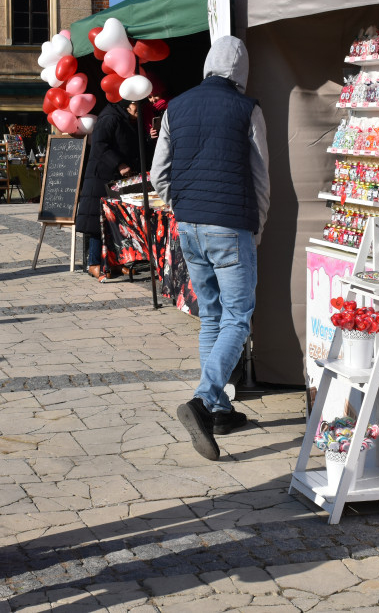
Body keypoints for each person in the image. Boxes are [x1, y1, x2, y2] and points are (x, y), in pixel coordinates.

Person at [151, 36, 271, 462]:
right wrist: (256, 225)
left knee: (212, 317)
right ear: (241, 70)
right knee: (238, 317)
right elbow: (260, 175)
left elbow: (157, 172)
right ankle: (204, 401)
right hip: (230, 225)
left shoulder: (175, 108)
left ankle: (219, 409)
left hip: (190, 227)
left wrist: (178, 205)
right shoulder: (248, 109)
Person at [74, 99, 142, 282]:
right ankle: (94, 263)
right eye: (137, 107)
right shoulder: (110, 118)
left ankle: (115, 262)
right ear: (127, 104)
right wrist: (118, 163)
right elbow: (100, 145)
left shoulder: (127, 119)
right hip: (102, 178)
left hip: (117, 180)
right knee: (98, 223)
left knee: (117, 222)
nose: (139, 112)